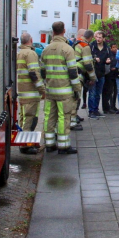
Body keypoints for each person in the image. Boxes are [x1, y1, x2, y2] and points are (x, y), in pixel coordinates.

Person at [40, 21, 81, 154]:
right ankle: (63, 146)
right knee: (64, 117)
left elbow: (42, 71)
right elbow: (73, 72)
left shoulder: (46, 49)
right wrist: (77, 89)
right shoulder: (67, 49)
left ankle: (49, 144)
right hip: (64, 92)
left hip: (50, 91)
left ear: (53, 32)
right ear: (64, 31)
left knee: (49, 117)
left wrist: (46, 85)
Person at [17, 33, 45, 154]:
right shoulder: (31, 54)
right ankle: (25, 146)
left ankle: (25, 142)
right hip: (31, 92)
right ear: (31, 40)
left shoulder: (19, 53)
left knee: (23, 118)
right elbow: (34, 73)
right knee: (30, 118)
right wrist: (42, 90)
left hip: (22, 91)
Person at [88, 31, 110, 118]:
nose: (98, 39)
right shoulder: (91, 46)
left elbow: (110, 57)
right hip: (92, 73)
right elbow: (87, 57)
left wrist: (108, 61)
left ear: (103, 38)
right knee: (92, 93)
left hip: (101, 73)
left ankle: (96, 110)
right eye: (97, 37)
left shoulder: (106, 48)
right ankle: (91, 111)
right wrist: (94, 58)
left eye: (100, 37)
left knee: (98, 93)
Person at [74, 29, 96, 113]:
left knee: (73, 95)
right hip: (79, 73)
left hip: (72, 71)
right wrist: (92, 77)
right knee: (77, 96)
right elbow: (88, 64)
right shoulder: (85, 46)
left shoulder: (76, 43)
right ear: (91, 37)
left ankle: (74, 115)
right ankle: (74, 116)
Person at [102, 43, 119, 114]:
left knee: (115, 91)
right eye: (113, 47)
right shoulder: (109, 55)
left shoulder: (117, 55)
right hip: (110, 75)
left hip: (116, 75)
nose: (115, 49)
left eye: (116, 47)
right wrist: (111, 67)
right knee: (110, 91)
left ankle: (113, 106)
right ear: (111, 48)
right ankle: (109, 106)